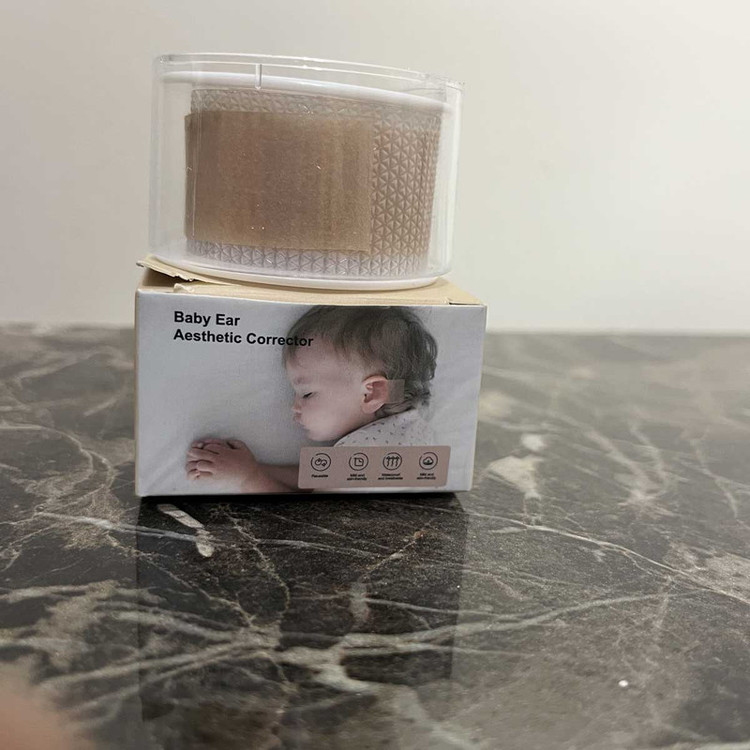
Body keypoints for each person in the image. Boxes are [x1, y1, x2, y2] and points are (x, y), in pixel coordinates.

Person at [185, 306, 438, 492]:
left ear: (371, 393)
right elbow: (322, 475)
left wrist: (247, 479)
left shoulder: (365, 454)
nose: (294, 407)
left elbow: (302, 523)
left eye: (307, 393)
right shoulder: (413, 431)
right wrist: (256, 468)